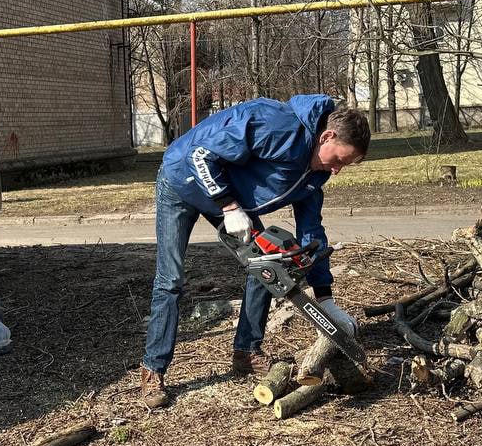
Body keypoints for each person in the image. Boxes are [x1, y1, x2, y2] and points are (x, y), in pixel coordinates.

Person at [139, 95, 371, 408]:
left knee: (268, 263)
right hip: (183, 179)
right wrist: (229, 206)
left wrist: (325, 297)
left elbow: (311, 231)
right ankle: (153, 370)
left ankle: (246, 351)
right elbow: (201, 153)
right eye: (339, 160)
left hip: (228, 198)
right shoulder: (275, 124)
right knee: (171, 279)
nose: (337, 170)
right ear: (326, 137)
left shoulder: (316, 173)